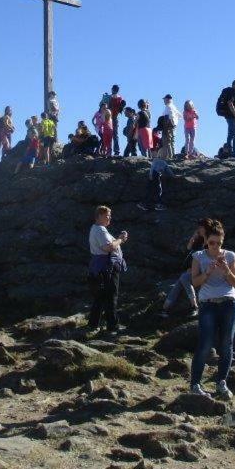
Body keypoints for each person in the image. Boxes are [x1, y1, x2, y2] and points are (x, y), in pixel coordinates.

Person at [189, 220, 235, 399]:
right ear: (206, 242)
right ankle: (195, 384)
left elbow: (234, 282)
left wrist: (226, 269)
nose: (215, 247)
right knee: (205, 344)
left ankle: (221, 382)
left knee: (226, 343)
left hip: (229, 302)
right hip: (208, 303)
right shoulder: (198, 256)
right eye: (212, 243)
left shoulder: (231, 256)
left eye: (219, 243)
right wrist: (208, 272)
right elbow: (194, 282)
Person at [87, 205, 128, 336]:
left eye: (110, 215)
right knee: (111, 296)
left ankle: (93, 324)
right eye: (107, 216)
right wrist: (121, 239)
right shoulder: (100, 230)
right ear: (99, 216)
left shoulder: (97, 229)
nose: (109, 218)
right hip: (107, 268)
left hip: (101, 267)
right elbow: (108, 247)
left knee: (100, 296)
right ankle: (112, 326)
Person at [162, 219, 216, 318]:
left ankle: (193, 306)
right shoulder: (199, 241)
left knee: (184, 277)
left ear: (206, 228)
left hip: (205, 270)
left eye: (201, 227)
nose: (198, 229)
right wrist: (193, 238)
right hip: (194, 269)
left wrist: (194, 269)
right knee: (181, 280)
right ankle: (165, 309)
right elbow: (189, 248)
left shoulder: (211, 241)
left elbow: (208, 259)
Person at [137, 144, 172, 211]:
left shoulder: (156, 160)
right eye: (165, 154)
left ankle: (143, 204)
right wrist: (173, 176)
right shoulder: (163, 162)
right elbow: (168, 171)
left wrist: (150, 175)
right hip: (156, 176)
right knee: (159, 190)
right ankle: (158, 205)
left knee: (150, 190)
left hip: (152, 176)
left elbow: (152, 168)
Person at [217, 80, 235, 158]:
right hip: (232, 116)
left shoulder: (232, 92)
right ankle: (234, 153)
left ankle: (228, 152)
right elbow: (230, 104)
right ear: (234, 85)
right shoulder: (232, 92)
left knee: (231, 134)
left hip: (230, 116)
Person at [108, 85, 125, 156]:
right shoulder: (120, 98)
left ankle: (109, 151)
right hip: (115, 117)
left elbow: (107, 106)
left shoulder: (110, 97)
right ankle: (116, 151)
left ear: (112, 89)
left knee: (109, 134)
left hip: (109, 118)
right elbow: (121, 108)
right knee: (115, 134)